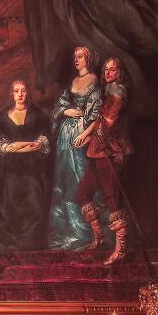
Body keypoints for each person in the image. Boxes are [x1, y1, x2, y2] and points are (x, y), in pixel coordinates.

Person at [76, 57, 134, 266]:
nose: (108, 73)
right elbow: (102, 122)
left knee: (112, 198)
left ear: (119, 73)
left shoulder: (118, 93)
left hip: (112, 151)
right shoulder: (109, 92)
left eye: (113, 69)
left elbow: (108, 122)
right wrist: (90, 135)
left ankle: (120, 249)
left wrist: (94, 133)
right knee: (83, 192)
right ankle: (99, 237)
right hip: (98, 151)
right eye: (106, 69)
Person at [0, 79, 52, 251]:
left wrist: (17, 147)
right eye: (16, 91)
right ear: (11, 94)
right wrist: (25, 146)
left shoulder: (38, 116)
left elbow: (42, 142)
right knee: (8, 192)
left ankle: (32, 241)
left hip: (33, 168)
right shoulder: (2, 117)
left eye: (23, 90)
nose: (20, 94)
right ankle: (9, 241)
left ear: (28, 93)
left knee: (34, 191)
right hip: (8, 169)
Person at [48, 46, 102, 251]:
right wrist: (66, 110)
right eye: (75, 56)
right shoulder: (72, 82)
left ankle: (87, 233)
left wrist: (85, 134)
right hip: (65, 136)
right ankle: (67, 233)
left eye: (80, 56)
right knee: (64, 178)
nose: (76, 60)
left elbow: (97, 115)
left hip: (81, 136)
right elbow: (59, 105)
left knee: (80, 178)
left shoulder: (95, 81)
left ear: (88, 58)